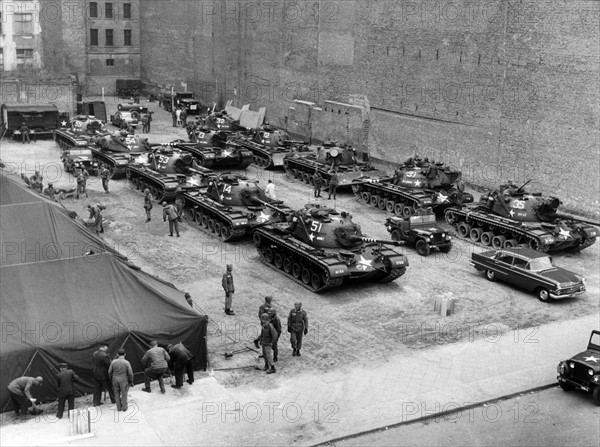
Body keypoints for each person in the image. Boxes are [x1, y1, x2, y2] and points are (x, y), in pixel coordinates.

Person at [92, 342, 115, 407]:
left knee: (97, 388)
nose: (107, 348)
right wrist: (110, 360)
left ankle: (96, 402)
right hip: (104, 374)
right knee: (110, 387)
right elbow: (109, 364)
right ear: (104, 347)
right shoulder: (104, 355)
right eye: (106, 347)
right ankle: (114, 400)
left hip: (96, 373)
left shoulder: (95, 353)